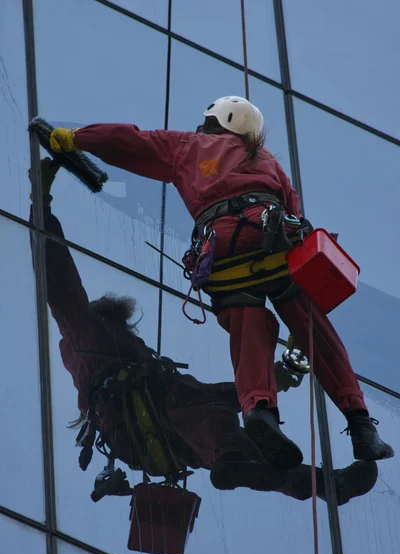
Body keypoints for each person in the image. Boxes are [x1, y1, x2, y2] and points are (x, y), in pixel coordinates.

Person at [48, 103, 393, 472]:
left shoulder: (188, 147)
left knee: (250, 332)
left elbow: (132, 142)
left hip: (222, 253)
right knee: (316, 332)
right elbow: (296, 216)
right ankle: (359, 424)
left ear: (218, 122)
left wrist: (76, 138)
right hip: (272, 239)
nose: (201, 124)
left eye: (207, 120)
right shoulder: (268, 161)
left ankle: (260, 411)